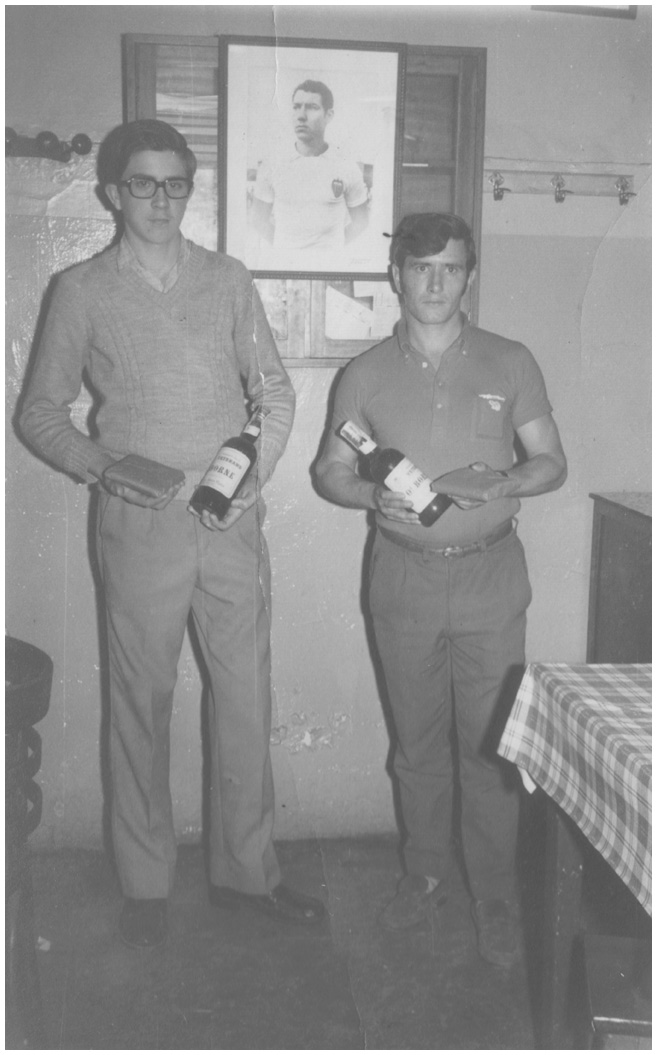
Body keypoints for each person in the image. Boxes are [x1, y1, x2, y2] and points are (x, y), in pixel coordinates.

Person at [20, 119, 325, 949]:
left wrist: (251, 477)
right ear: (112, 192)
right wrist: (102, 465)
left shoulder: (226, 279)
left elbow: (274, 392)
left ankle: (247, 871)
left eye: (175, 183)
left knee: (244, 698)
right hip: (138, 526)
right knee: (139, 701)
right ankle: (145, 881)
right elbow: (39, 413)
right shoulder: (81, 290)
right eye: (143, 183)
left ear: (190, 189)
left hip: (228, 520)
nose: (160, 199)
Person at [315, 212, 567, 967]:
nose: (435, 282)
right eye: (420, 268)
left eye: (450, 268)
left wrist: (507, 480)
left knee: (491, 745)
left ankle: (494, 894)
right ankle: (423, 874)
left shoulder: (509, 360)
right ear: (395, 275)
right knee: (417, 742)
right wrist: (371, 496)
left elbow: (552, 461)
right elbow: (329, 470)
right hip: (402, 577)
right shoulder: (363, 374)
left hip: (491, 576)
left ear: (469, 276)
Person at [250, 79, 369, 265]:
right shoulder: (272, 164)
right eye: (296, 107)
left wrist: (330, 249)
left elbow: (361, 222)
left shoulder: (346, 166)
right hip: (285, 267)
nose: (301, 116)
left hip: (329, 267)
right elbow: (258, 220)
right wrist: (288, 249)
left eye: (312, 107)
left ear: (329, 115)